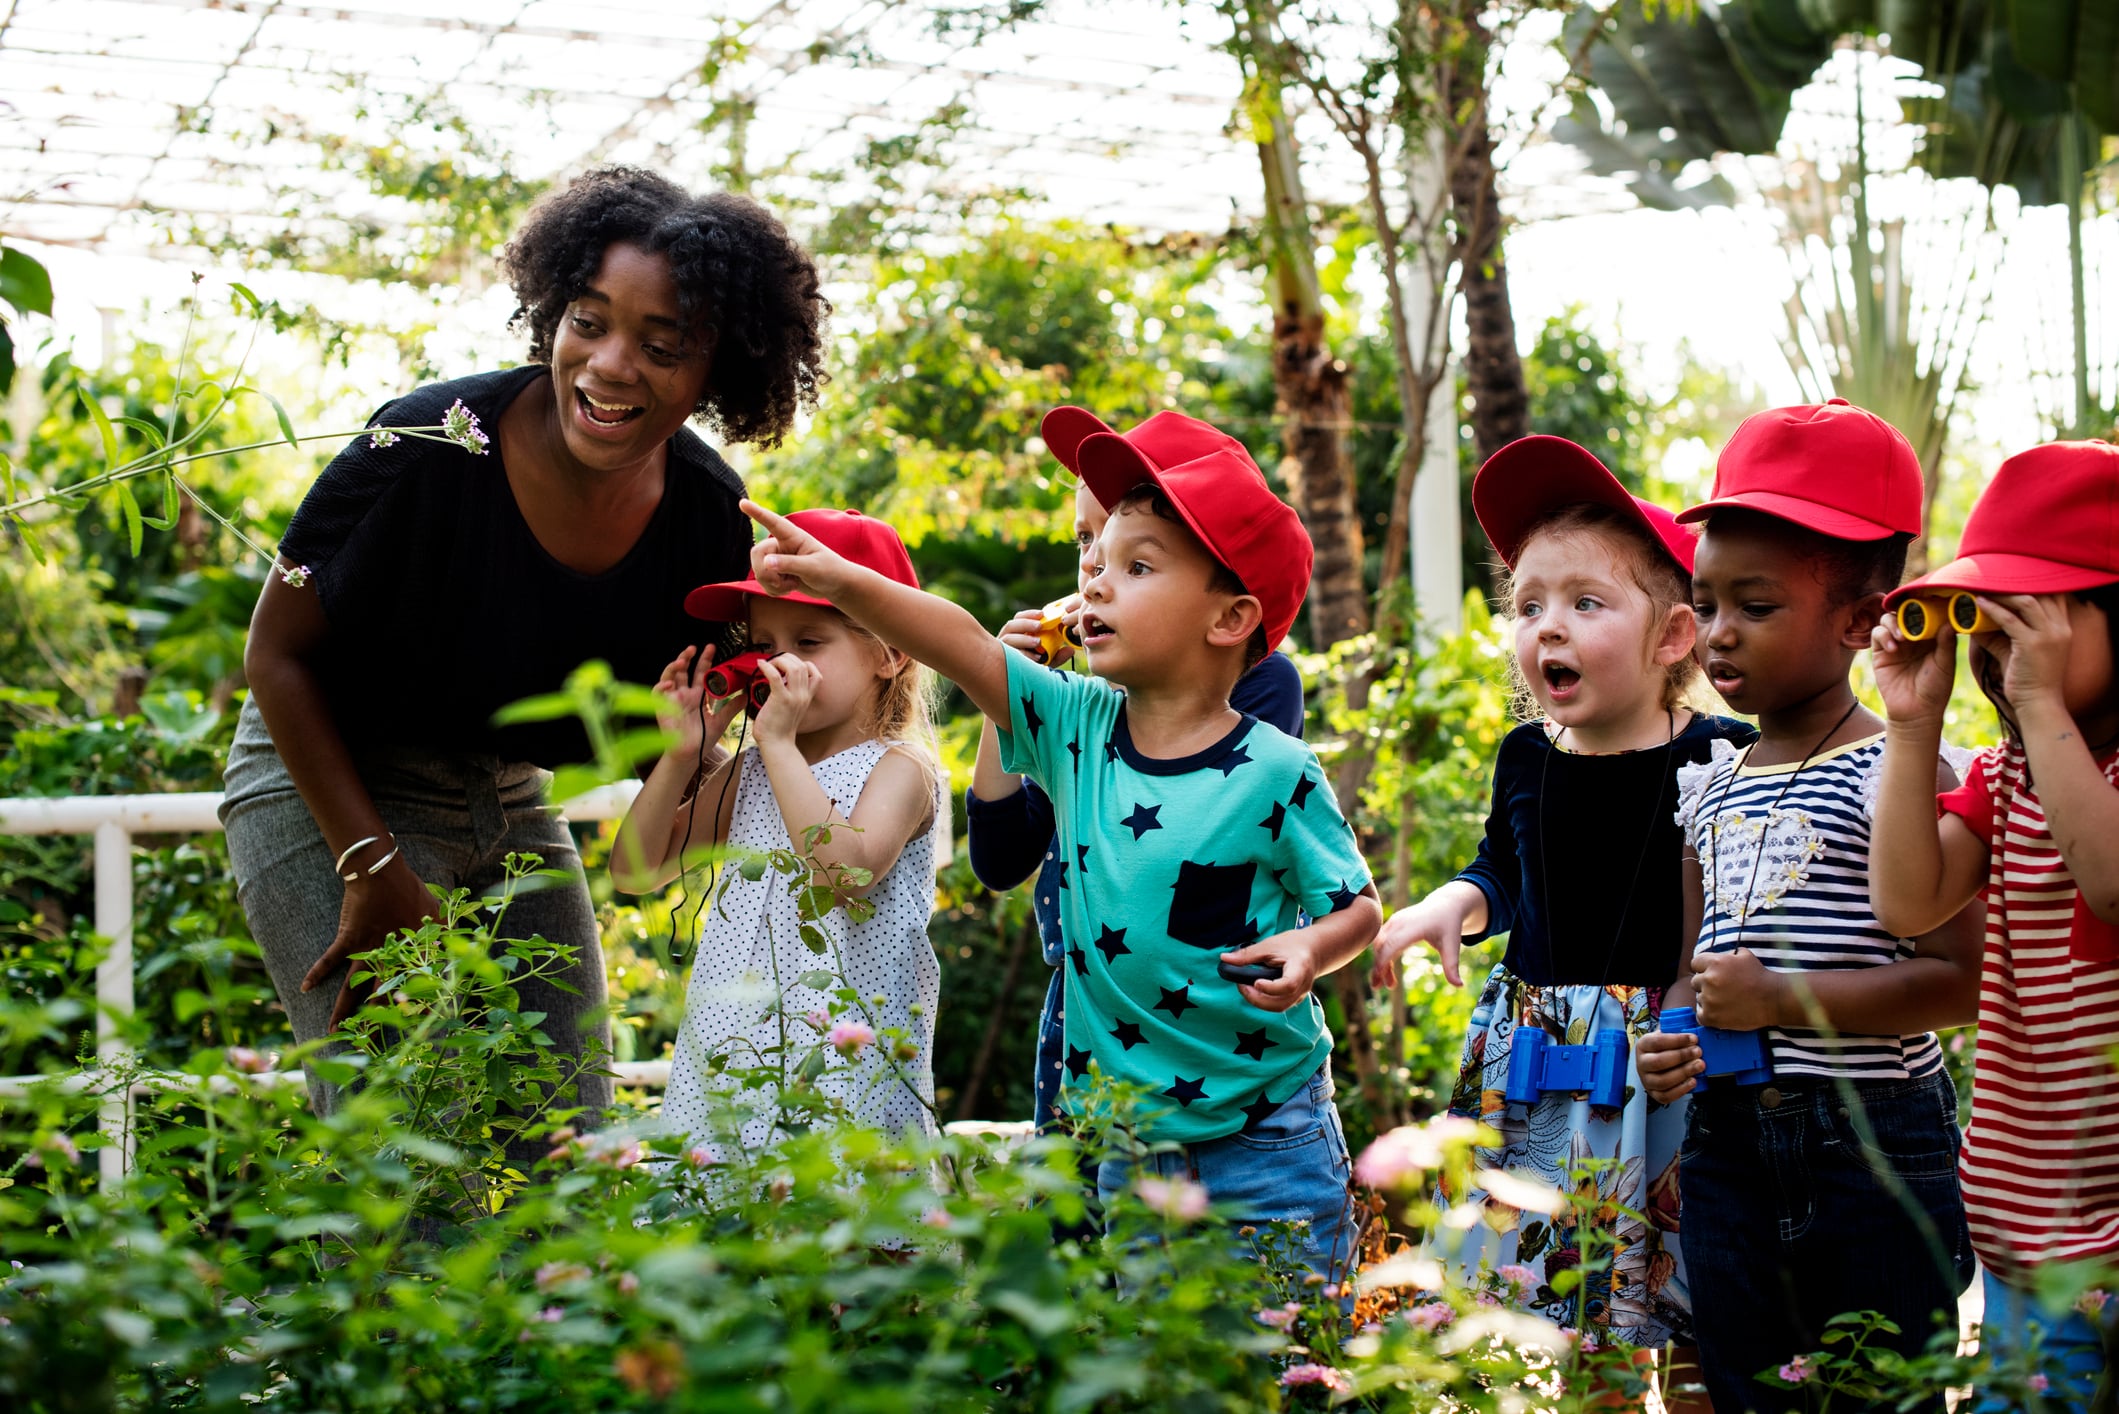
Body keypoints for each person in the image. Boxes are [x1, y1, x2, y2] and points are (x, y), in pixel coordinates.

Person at [222, 168, 829, 1138]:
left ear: (717, 369)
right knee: (403, 1142)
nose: (610, 363)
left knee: (571, 1143)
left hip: (505, 792)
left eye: (661, 344)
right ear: (551, 310)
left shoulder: (708, 517)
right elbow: (273, 654)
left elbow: (673, 754)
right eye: (588, 320)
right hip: (326, 779)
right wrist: (371, 862)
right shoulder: (420, 446)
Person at [738, 413, 1382, 1288]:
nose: (1095, 583)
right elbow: (958, 642)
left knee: (1278, 1364)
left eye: (1136, 565)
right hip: (1118, 1135)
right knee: (1135, 1363)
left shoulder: (1277, 766)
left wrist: (1310, 948)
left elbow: (1357, 908)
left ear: (1229, 617)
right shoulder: (1072, 721)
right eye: (1096, 556)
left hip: (1264, 1135)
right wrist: (844, 584)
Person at [1370, 436, 1750, 1400]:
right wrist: (1448, 902)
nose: (1548, 628)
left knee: (1694, 1301)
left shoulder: (1719, 755)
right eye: (1528, 604)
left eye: (1586, 603)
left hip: (1668, 1064)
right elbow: (1504, 866)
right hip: (1536, 1069)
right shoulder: (1525, 756)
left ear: (1672, 638)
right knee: (1574, 1316)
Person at [1634, 401, 1981, 1414]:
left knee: (1882, 1393)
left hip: (1868, 1148)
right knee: (1747, 1392)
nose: (1718, 633)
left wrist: (1782, 998)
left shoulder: (1901, 773)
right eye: (1706, 602)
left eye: (1756, 604)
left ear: (1861, 620)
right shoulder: (1711, 780)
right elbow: (1694, 962)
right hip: (1726, 1146)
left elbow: (1956, 982)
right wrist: (1670, 1033)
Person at [965, 406, 1305, 1133]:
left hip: (1206, 1024)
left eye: (1132, 557)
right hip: (1088, 1008)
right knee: (1080, 1227)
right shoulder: (1076, 705)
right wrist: (1008, 694)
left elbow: (1200, 832)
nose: (1092, 566)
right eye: (1086, 540)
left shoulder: (1262, 686)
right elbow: (998, 859)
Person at [1868, 440, 2119, 1413]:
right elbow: (1908, 900)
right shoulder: (2004, 776)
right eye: (1982, 620)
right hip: (2018, 1233)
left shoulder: (2073, 766)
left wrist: (2041, 700)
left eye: (2029, 619)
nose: (1992, 652)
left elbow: (2107, 883)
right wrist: (1911, 723)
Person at [611, 509, 942, 1153]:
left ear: (891, 653)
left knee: (847, 1240)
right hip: (732, 1063)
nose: (776, 663)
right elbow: (636, 870)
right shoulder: (757, 765)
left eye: (809, 642)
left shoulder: (902, 769)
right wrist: (682, 755)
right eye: (763, 644)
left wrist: (778, 746)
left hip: (846, 1074)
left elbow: (841, 875)